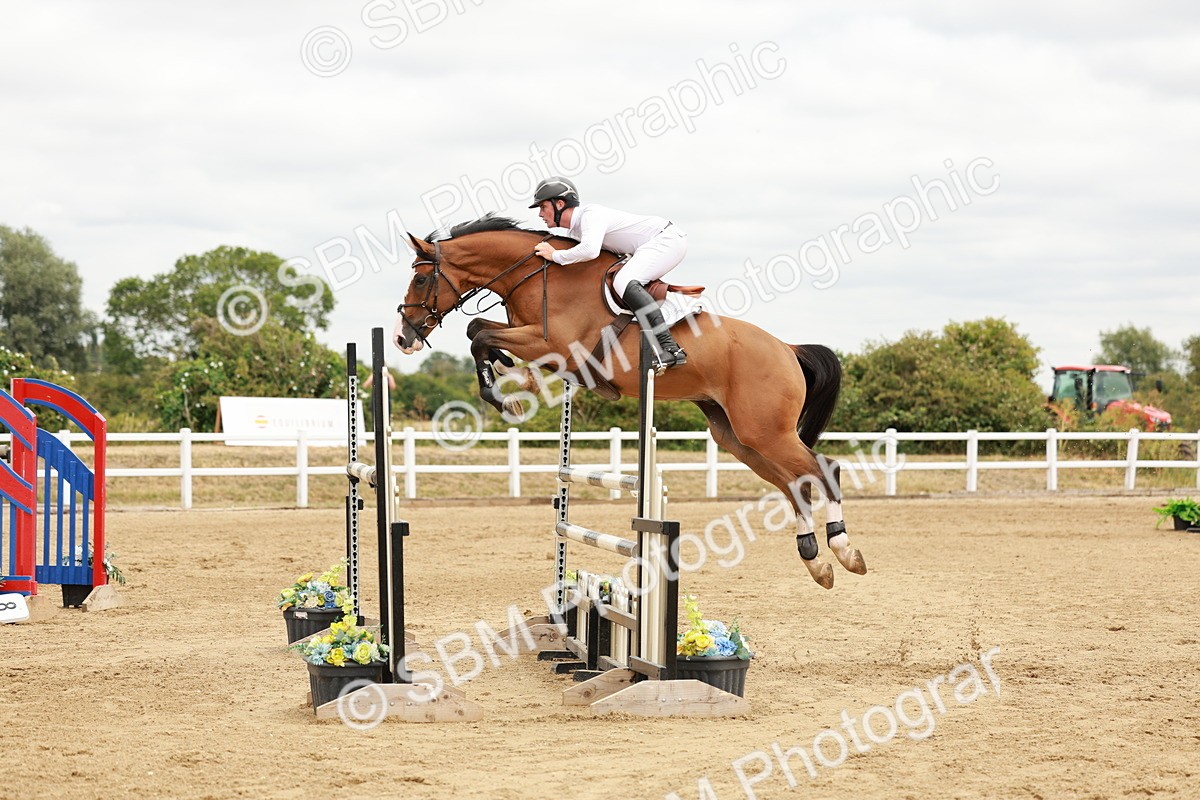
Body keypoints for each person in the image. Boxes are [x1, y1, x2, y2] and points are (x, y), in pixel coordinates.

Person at [530, 176, 688, 369]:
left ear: (560, 204)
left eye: (543, 207)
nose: (540, 214)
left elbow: (590, 250)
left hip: (666, 240)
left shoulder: (590, 214)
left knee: (623, 281)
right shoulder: (574, 232)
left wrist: (555, 255)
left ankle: (670, 348)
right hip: (649, 245)